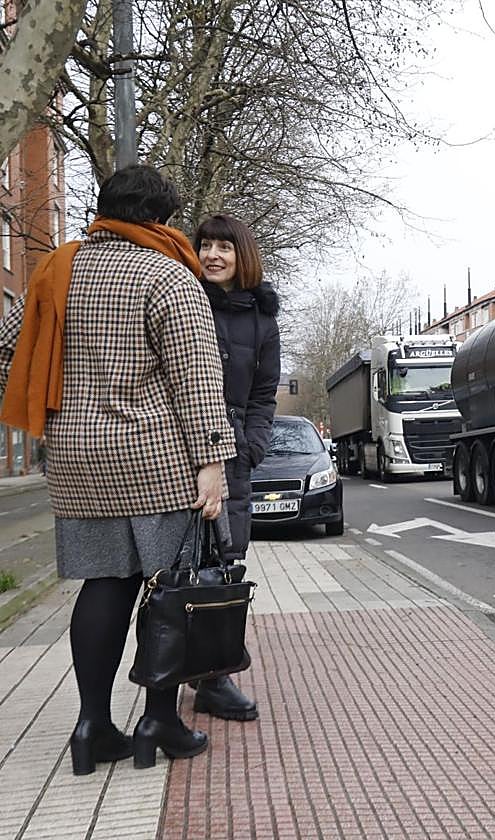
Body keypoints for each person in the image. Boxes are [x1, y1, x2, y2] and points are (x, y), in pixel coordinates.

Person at [0, 165, 236, 774]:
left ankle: (91, 728)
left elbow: (11, 346)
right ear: (158, 218)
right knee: (169, 591)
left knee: (102, 586)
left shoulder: (58, 269)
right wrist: (212, 462)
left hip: (76, 459)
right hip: (155, 459)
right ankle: (159, 720)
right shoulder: (166, 275)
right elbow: (197, 378)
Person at [190, 214, 280, 721]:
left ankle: (215, 678)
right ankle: (178, 668)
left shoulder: (262, 322)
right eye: (206, 245)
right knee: (180, 565)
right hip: (176, 449)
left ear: (241, 256)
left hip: (234, 454)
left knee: (225, 564)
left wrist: (253, 446)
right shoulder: (183, 298)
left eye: (225, 247)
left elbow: (265, 392)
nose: (213, 255)